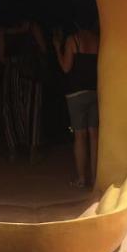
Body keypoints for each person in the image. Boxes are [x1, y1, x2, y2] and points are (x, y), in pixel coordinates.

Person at [54, 11, 99, 189]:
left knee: (79, 136)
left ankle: (81, 178)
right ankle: (95, 178)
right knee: (94, 136)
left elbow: (66, 67)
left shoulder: (73, 40)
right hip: (94, 91)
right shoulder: (97, 40)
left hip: (75, 94)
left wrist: (57, 47)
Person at [0, 11, 47, 162]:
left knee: (11, 109)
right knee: (32, 110)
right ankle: (33, 150)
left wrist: (13, 63)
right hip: (31, 71)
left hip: (12, 72)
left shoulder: (2, 31)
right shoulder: (32, 27)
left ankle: (13, 150)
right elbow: (43, 48)